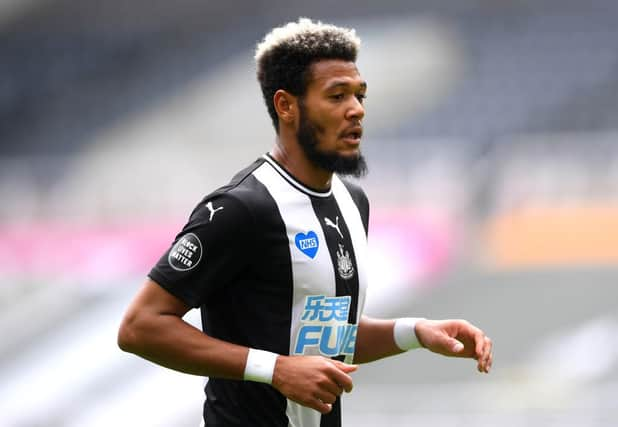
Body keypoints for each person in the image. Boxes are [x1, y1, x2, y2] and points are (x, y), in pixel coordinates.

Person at [117, 17, 493, 427]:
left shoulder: (353, 202)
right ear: (286, 106)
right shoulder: (241, 207)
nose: (356, 110)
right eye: (336, 96)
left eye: (359, 95)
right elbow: (140, 326)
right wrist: (275, 369)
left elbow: (321, 339)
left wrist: (415, 332)